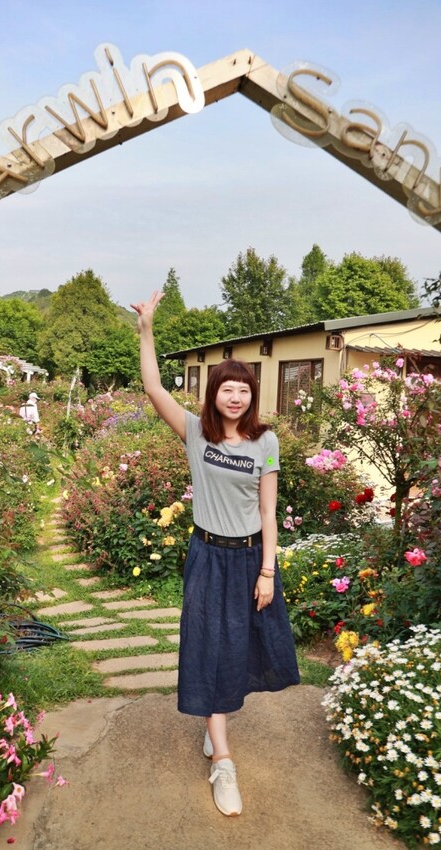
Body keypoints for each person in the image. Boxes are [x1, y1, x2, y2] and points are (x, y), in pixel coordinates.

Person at [131, 291, 300, 818]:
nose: (235, 399)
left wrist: (269, 570)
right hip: (206, 556)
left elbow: (269, 513)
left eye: (243, 391)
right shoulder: (194, 432)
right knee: (207, 644)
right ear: (214, 394)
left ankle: (214, 721)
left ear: (251, 396)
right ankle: (222, 759)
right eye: (227, 390)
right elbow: (153, 386)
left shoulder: (265, 442)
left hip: (250, 559)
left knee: (241, 647)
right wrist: (147, 330)